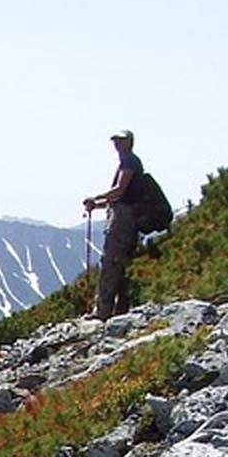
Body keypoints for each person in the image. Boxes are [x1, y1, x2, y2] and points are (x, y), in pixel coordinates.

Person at [83, 129, 143, 320]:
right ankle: (120, 308)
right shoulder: (130, 161)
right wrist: (99, 205)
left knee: (111, 262)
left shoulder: (129, 162)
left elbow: (119, 191)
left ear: (129, 142)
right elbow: (121, 196)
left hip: (122, 221)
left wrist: (96, 198)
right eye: (115, 140)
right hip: (127, 217)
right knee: (122, 263)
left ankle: (103, 311)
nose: (117, 144)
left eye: (121, 140)